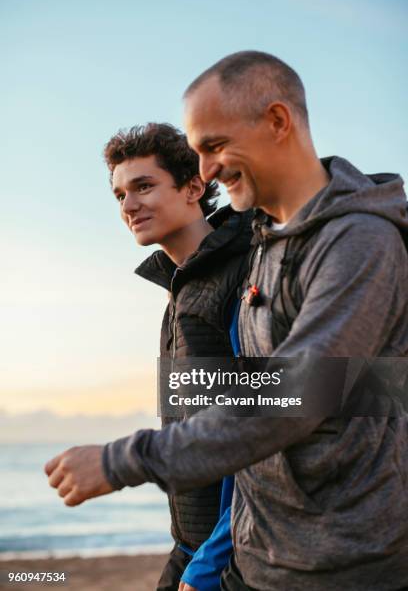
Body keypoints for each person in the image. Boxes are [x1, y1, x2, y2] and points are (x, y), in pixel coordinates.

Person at [46, 52, 408, 590]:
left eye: (214, 147)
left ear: (278, 122)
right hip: (260, 559)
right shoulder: (263, 241)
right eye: (198, 152)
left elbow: (294, 398)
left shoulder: (360, 241)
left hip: (345, 567)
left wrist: (122, 461)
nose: (207, 169)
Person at [47, 122, 252, 591]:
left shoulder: (241, 280)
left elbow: (261, 431)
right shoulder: (178, 291)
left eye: (143, 186)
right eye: (120, 194)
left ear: (194, 187)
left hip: (226, 556)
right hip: (188, 543)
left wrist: (210, 561)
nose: (129, 205)